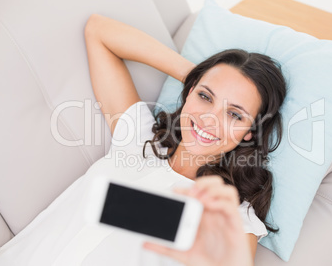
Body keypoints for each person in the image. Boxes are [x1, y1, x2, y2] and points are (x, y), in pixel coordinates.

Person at [84, 13, 286, 265]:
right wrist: (197, 76)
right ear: (189, 93)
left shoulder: (232, 217)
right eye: (205, 97)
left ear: (250, 132)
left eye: (234, 114)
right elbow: (99, 30)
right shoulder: (139, 135)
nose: (209, 119)